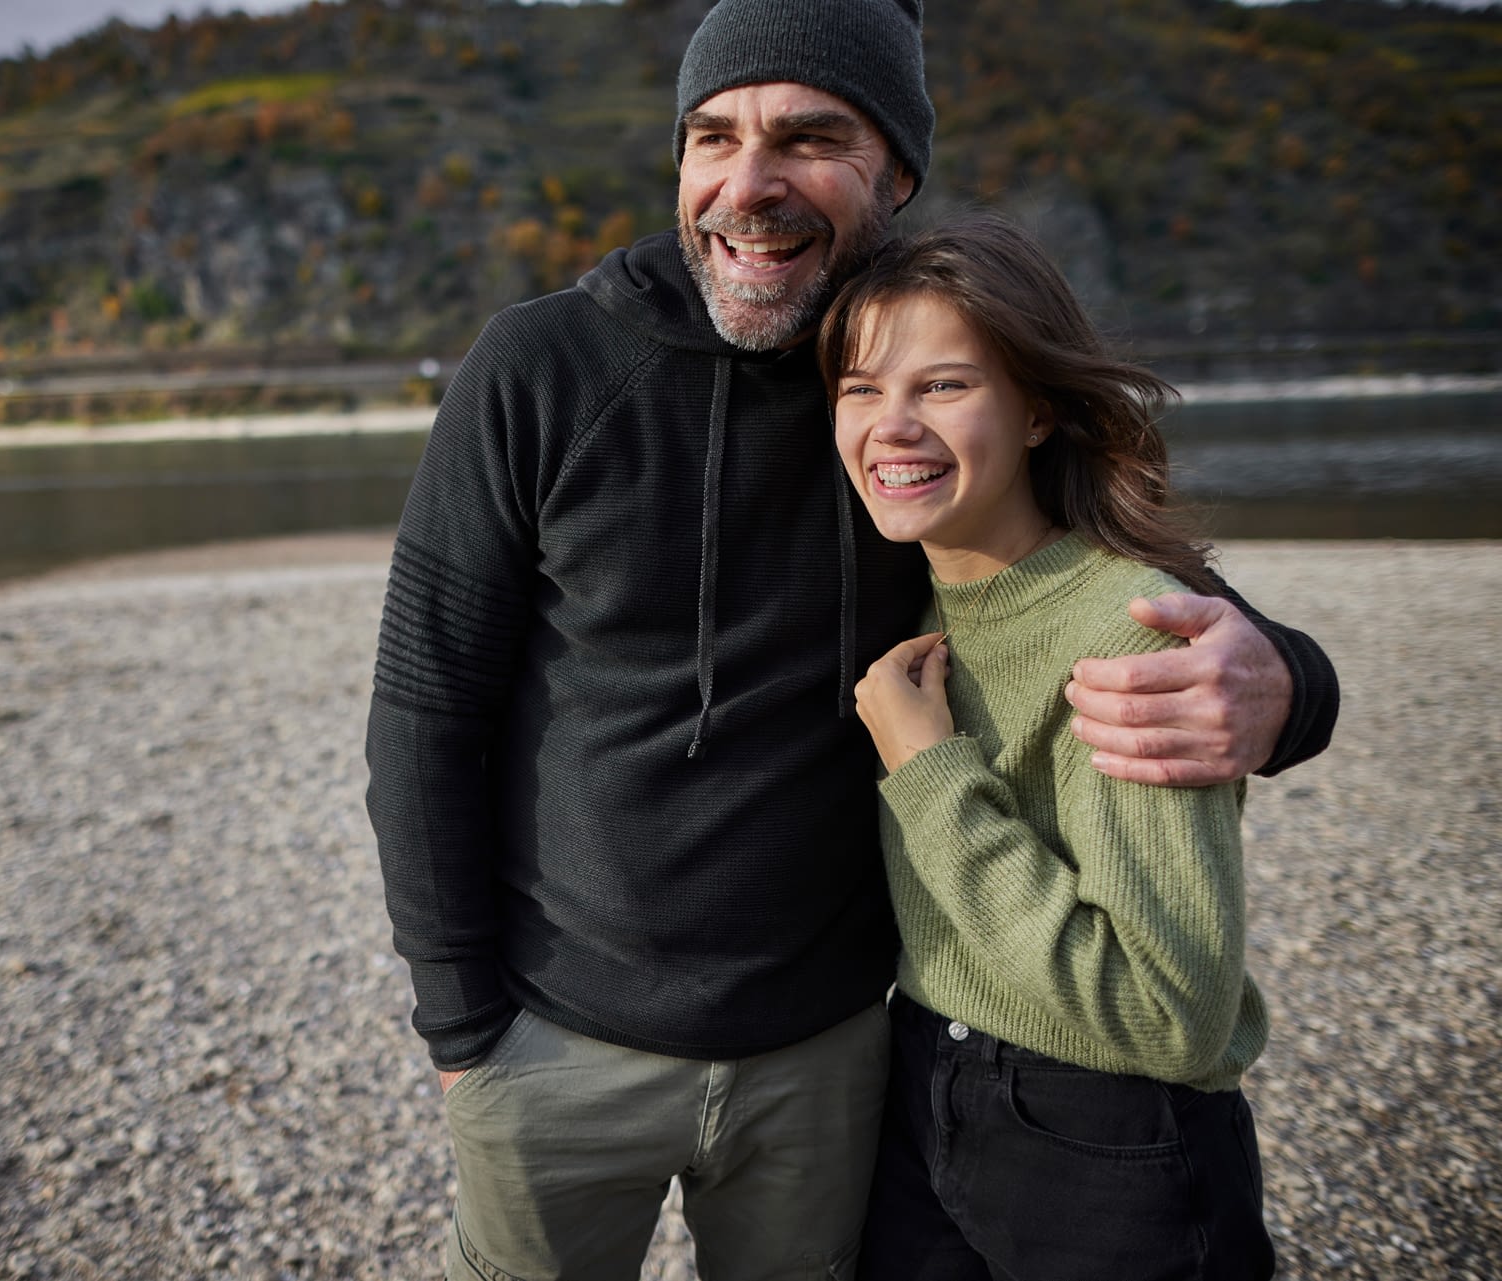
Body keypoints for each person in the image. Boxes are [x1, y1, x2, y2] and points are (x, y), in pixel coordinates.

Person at [364, 0, 1337, 1276]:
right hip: (557, 1043)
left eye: (808, 137)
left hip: (830, 1053)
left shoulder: (913, 372)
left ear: (898, 173)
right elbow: (426, 702)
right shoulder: (542, 367)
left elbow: (1120, 570)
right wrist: (461, 1026)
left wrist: (1291, 688)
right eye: (712, 137)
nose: (748, 185)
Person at [823, 213, 1281, 1279]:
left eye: (942, 386)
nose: (892, 426)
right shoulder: (911, 592)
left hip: (1107, 1143)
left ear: (1035, 409)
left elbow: (1168, 1015)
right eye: (861, 389)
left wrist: (931, 773)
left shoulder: (1130, 630)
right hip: (920, 1090)